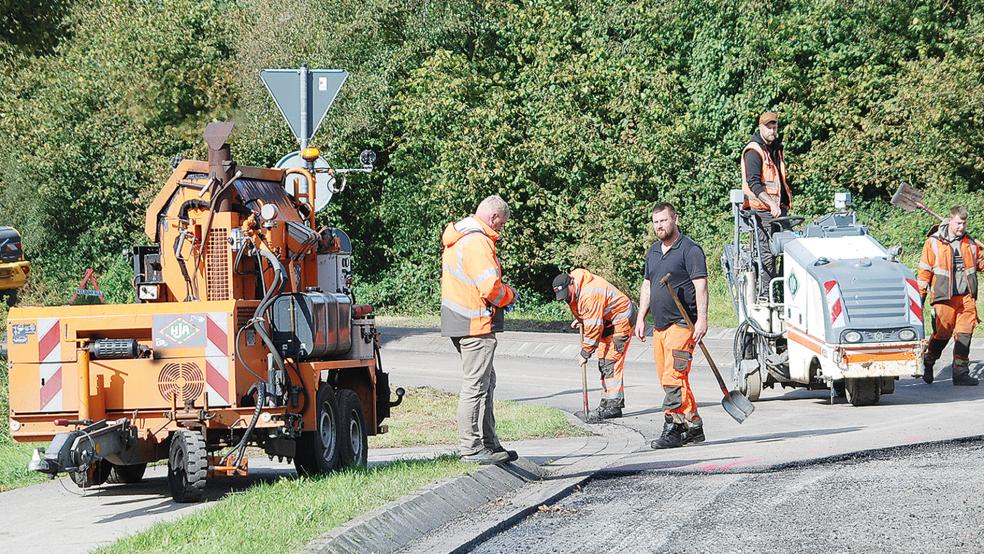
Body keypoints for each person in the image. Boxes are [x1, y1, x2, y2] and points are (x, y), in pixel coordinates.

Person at [441, 195, 518, 464]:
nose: (501, 229)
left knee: (486, 381)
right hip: (475, 323)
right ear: (494, 217)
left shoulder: (460, 237)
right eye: (502, 223)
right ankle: (473, 448)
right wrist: (509, 296)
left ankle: (489, 443)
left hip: (460, 320)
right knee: (476, 385)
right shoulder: (477, 241)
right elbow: (490, 287)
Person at [635, 202, 709, 449]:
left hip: (682, 324)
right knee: (670, 378)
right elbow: (647, 285)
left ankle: (673, 427)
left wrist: (702, 319)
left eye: (664, 220)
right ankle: (694, 426)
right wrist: (640, 316)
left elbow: (701, 285)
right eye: (656, 222)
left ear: (675, 219)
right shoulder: (653, 252)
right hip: (660, 326)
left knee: (673, 376)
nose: (659, 225)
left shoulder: (689, 250)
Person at [552, 268, 637, 421]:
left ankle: (613, 407)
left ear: (571, 284)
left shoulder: (590, 293)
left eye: (567, 294)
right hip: (608, 322)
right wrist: (581, 319)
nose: (566, 298)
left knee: (611, 362)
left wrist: (585, 353)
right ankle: (608, 403)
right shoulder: (577, 287)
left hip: (621, 321)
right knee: (604, 362)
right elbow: (586, 311)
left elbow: (594, 327)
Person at [917, 206, 984, 386]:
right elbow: (924, 272)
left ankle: (961, 372)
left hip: (966, 297)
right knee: (942, 334)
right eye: (958, 223)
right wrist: (919, 299)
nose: (961, 227)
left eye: (964, 223)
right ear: (950, 220)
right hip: (944, 297)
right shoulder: (933, 243)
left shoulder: (970, 243)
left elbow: (980, 264)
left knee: (965, 333)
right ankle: (929, 361)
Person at [740, 111, 792, 294]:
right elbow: (754, 183)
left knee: (790, 250)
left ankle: (784, 293)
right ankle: (765, 297)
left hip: (779, 210)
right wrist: (771, 204)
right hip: (761, 210)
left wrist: (781, 204)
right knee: (767, 256)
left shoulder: (776, 148)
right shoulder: (754, 151)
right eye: (768, 127)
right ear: (760, 127)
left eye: (774, 126)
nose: (772, 130)